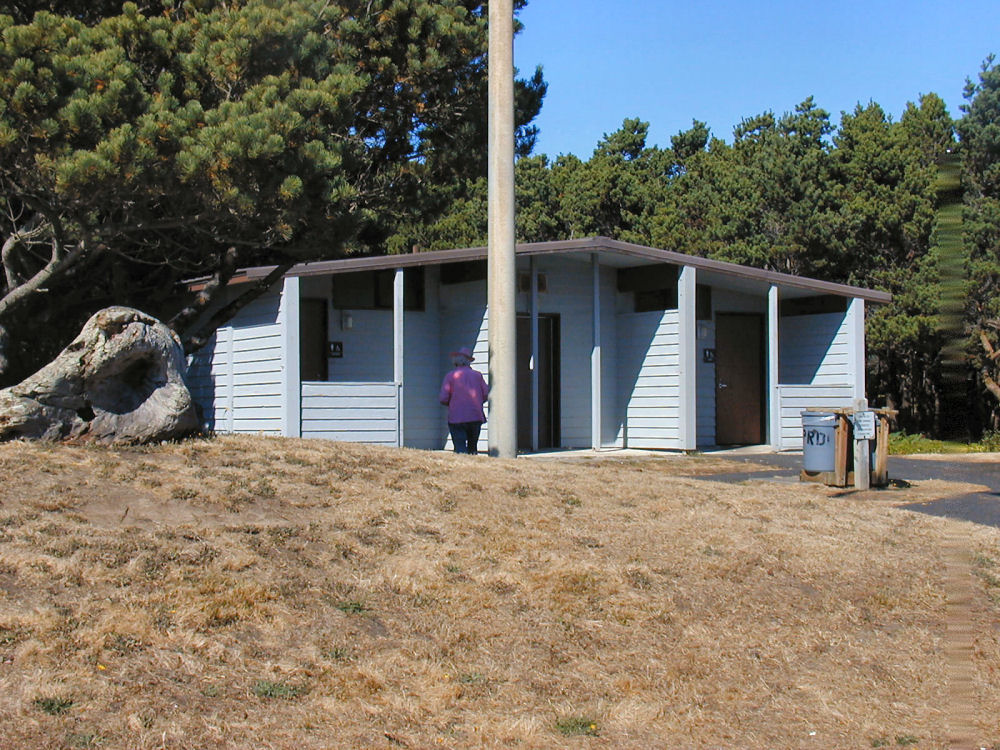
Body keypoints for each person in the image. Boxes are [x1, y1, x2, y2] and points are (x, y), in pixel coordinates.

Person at [439, 346, 490, 454]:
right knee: (472, 447)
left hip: (456, 417)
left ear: (456, 361)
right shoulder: (478, 375)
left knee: (460, 447)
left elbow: (443, 398)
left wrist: (452, 404)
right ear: (468, 362)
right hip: (475, 416)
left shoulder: (450, 376)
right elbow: (485, 394)